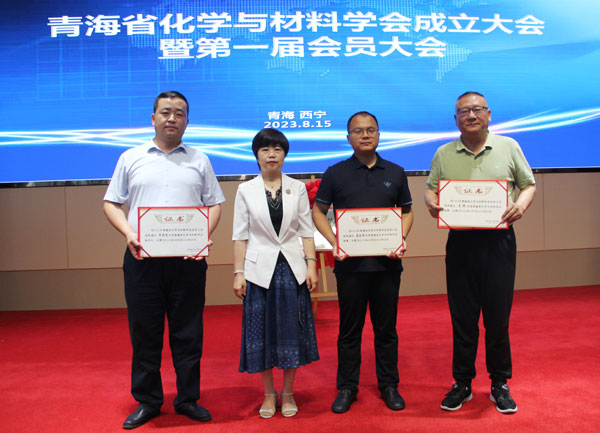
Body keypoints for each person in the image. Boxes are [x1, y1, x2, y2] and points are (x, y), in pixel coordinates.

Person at [103, 91, 225, 429]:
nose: (172, 118)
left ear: (188, 121)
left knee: (189, 332)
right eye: (166, 112)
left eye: (179, 113)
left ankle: (187, 399)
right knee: (145, 332)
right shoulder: (131, 157)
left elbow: (214, 204)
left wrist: (201, 235)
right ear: (153, 118)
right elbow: (111, 203)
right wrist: (128, 232)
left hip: (188, 259)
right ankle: (148, 401)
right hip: (142, 259)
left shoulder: (200, 159)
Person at [424, 91, 536, 414]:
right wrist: (432, 203)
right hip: (461, 242)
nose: (470, 115)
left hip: (499, 242)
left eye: (476, 110)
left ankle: (500, 383)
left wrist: (520, 206)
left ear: (488, 114)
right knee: (463, 317)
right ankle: (462, 383)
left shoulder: (508, 146)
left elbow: (528, 184)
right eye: (464, 111)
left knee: (498, 317)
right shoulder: (444, 153)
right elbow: (431, 189)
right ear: (455, 119)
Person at [312, 112, 413, 414]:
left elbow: (407, 211)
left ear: (379, 135)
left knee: (386, 329)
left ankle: (389, 385)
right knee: (349, 330)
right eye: (358, 131)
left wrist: (400, 238)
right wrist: (334, 241)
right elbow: (318, 212)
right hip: (350, 267)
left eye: (371, 130)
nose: (365, 135)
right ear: (349, 138)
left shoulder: (395, 172)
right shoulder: (335, 173)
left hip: (387, 266)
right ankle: (347, 387)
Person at [232, 128, 320, 418]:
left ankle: (288, 391)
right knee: (262, 333)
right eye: (265, 149)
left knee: (291, 331)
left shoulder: (297, 188)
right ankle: (269, 393)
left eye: (277, 149)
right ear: (256, 155)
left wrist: (311, 265)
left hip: (292, 269)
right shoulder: (246, 190)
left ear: (285, 154)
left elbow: (306, 231)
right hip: (258, 272)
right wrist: (239, 272)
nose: (272, 155)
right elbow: (240, 236)